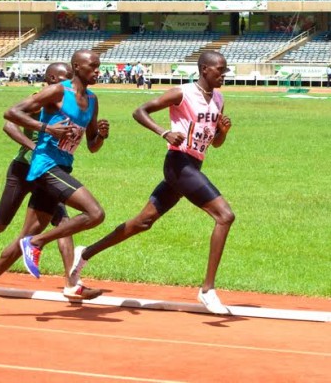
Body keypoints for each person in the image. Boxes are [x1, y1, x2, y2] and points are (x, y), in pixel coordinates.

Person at [68, 50, 235, 315]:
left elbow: (214, 142)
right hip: (178, 165)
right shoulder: (182, 93)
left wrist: (222, 133)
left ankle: (84, 253)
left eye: (225, 71)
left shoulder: (219, 99)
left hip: (193, 166)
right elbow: (140, 111)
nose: (224, 75)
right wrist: (164, 132)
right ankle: (207, 290)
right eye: (220, 71)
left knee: (141, 222)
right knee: (225, 216)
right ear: (204, 69)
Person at [0, 50, 109, 318]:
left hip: (62, 166)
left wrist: (101, 137)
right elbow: (11, 113)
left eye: (99, 67)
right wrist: (46, 130)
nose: (98, 71)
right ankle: (37, 243)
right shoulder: (56, 92)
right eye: (93, 66)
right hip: (43, 166)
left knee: (21, 239)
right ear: (77, 67)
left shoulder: (93, 100)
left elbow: (92, 146)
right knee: (95, 213)